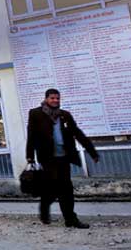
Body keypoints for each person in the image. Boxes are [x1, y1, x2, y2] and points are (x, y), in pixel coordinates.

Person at [26, 88, 99, 229]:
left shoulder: (65, 115)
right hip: (47, 158)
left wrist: (92, 152)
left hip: (63, 158)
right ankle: (46, 209)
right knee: (56, 188)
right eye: (52, 98)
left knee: (66, 189)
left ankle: (70, 219)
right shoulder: (36, 114)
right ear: (46, 99)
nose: (55, 100)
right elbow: (31, 136)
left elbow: (78, 133)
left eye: (58, 98)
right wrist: (30, 157)